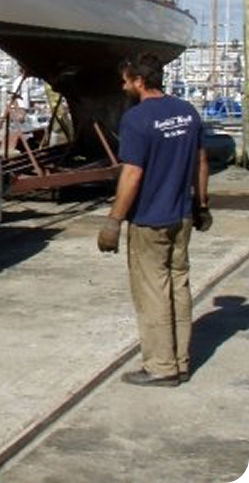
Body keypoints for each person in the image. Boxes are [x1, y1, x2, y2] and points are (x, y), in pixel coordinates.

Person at [98, 52, 210, 387]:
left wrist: (114, 221)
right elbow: (201, 162)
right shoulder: (188, 113)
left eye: (126, 80)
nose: (123, 85)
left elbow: (132, 173)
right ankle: (181, 360)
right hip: (182, 215)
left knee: (153, 293)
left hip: (150, 219)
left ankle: (161, 367)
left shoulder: (137, 119)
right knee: (179, 285)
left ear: (139, 82)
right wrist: (202, 204)